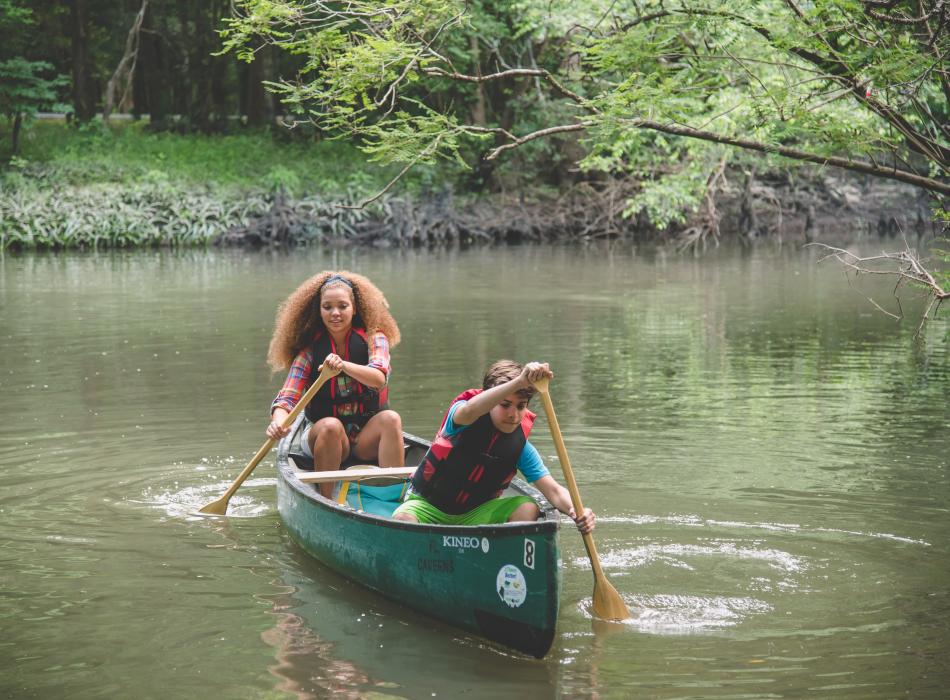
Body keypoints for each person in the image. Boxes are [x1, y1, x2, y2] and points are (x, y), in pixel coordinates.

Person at [392, 360, 595, 533]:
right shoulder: (462, 417)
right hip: (428, 506)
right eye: (505, 405)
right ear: (491, 400)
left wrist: (577, 510)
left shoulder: (521, 449)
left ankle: (509, 563)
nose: (513, 414)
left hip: (475, 514)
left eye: (521, 406)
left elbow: (554, 491)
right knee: (402, 519)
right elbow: (471, 409)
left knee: (527, 507)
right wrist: (520, 381)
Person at [266, 271, 403, 497]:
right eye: (327, 307)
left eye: (342, 306)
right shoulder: (310, 351)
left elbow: (379, 378)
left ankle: (395, 498)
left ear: (355, 308)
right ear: (318, 311)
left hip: (363, 437)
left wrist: (343, 366)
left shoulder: (374, 339)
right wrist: (278, 422)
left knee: (391, 419)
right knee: (331, 426)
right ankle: (327, 500)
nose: (335, 313)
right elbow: (287, 397)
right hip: (325, 437)